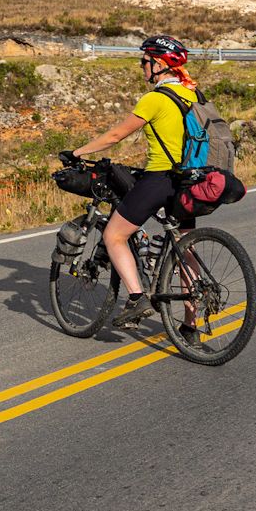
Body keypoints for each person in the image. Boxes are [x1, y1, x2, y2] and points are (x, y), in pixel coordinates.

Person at [69, 35, 201, 330]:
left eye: (144, 61)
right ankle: (191, 329)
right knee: (185, 250)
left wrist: (78, 152)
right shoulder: (193, 95)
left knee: (113, 236)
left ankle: (136, 298)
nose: (141, 67)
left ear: (157, 64)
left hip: (161, 178)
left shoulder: (155, 98)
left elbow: (116, 136)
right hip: (189, 181)